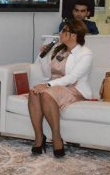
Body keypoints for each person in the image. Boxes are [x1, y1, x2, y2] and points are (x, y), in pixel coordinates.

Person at [28, 19, 93, 158]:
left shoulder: (85, 54)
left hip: (73, 88)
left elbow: (72, 78)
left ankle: (56, 138)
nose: (60, 33)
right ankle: (39, 137)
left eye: (64, 31)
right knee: (34, 92)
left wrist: (47, 85)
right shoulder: (59, 49)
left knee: (45, 94)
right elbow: (47, 74)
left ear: (73, 35)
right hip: (55, 86)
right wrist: (43, 56)